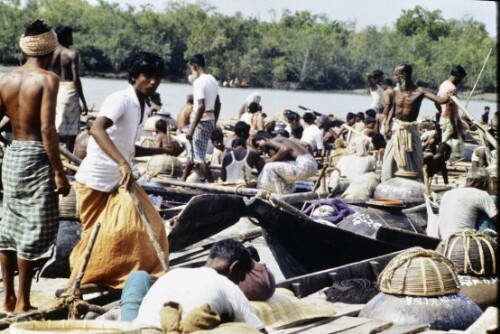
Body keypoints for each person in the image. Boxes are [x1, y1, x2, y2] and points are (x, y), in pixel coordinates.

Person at [70, 51, 182, 290]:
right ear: (134, 76)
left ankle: (120, 276)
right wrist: (122, 163)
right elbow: (97, 130)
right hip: (96, 179)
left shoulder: (142, 105)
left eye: (157, 77)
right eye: (147, 76)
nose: (153, 82)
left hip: (119, 180)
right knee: (94, 236)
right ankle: (80, 282)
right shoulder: (120, 99)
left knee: (152, 225)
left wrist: (163, 152)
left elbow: (130, 149)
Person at [0, 19, 71, 312]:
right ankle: (24, 302)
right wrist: (59, 172)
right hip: (35, 156)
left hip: (13, 154)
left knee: (9, 225)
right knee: (32, 226)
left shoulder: (6, 79)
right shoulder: (48, 79)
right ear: (50, 48)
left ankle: (7, 298)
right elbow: (46, 130)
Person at [131, 239, 266, 333]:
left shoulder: (172, 275)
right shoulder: (228, 286)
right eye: (241, 277)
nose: (239, 282)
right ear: (234, 267)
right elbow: (258, 330)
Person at [382, 64, 449, 181]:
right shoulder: (395, 91)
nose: (395, 78)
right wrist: (387, 124)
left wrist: (449, 97)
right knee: (389, 160)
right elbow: (392, 110)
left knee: (416, 159)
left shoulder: (419, 91)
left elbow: (439, 100)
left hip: (411, 130)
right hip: (397, 128)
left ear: (404, 75)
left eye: (396, 75)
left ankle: (415, 183)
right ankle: (388, 181)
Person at [182, 54, 221, 183]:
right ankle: (182, 179)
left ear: (195, 66)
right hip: (209, 120)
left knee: (199, 158)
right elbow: (218, 103)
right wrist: (214, 122)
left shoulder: (198, 82)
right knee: (191, 152)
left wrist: (191, 129)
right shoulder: (213, 80)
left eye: (191, 68)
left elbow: (200, 106)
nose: (191, 70)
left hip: (201, 121)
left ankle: (211, 184)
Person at [51, 25, 88, 153]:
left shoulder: (51, 53)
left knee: (55, 123)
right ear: (66, 37)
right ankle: (67, 157)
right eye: (71, 35)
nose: (72, 38)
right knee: (71, 129)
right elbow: (76, 79)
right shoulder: (72, 54)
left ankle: (52, 153)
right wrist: (84, 101)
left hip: (54, 88)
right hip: (69, 90)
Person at [437, 168, 498, 239]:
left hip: (444, 239)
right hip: (464, 240)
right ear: (485, 184)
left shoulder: (447, 194)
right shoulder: (482, 194)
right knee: (493, 200)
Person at [253, 131, 318, 194]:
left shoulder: (271, 140)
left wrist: (270, 161)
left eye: (258, 144)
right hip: (312, 165)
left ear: (264, 139)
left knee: (268, 166)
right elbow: (306, 144)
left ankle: (267, 190)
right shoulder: (285, 140)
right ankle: (287, 191)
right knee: (277, 171)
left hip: (304, 164)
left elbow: (285, 149)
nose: (259, 148)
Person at [435, 65, 467, 156]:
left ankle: (443, 161)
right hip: (450, 120)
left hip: (444, 118)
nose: (460, 81)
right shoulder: (452, 88)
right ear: (457, 76)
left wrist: (441, 111)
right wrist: (453, 125)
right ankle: (441, 161)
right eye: (460, 78)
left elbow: (436, 101)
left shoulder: (444, 84)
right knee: (446, 144)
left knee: (445, 141)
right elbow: (450, 108)